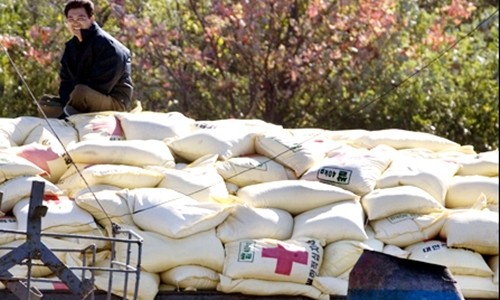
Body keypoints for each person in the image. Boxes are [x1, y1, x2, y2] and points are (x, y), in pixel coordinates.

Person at [40, 0, 133, 118]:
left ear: (92, 18)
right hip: (80, 98)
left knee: (81, 92)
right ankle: (68, 113)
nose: (75, 23)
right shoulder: (71, 46)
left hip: (112, 100)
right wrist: (66, 100)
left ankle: (68, 117)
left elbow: (102, 85)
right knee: (46, 103)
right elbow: (66, 81)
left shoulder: (108, 46)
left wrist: (73, 98)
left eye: (81, 19)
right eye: (71, 20)